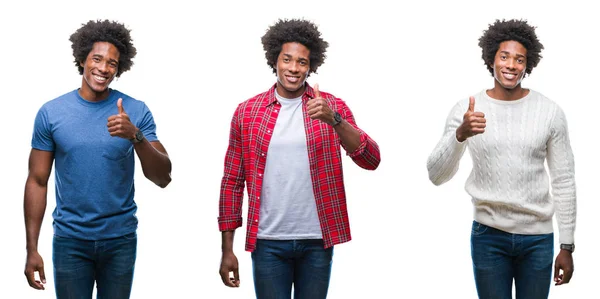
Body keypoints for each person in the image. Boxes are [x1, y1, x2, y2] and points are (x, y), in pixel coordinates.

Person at [217, 18, 380, 299]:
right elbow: (232, 181)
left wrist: (335, 120)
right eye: (287, 59)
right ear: (275, 60)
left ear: (311, 65)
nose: (293, 68)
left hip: (318, 240)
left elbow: (370, 159)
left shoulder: (332, 106)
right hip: (267, 242)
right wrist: (226, 249)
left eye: (302, 62)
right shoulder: (247, 112)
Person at [426, 19, 576, 299]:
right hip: (488, 236)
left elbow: (564, 180)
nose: (511, 65)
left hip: (538, 239)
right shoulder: (467, 109)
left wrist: (567, 246)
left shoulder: (549, 112)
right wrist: (460, 134)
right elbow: (436, 175)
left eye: (519, 59)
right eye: (504, 56)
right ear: (491, 58)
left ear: (527, 65)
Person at [23, 19, 172, 299]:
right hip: (70, 241)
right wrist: (32, 248)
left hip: (120, 241)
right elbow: (38, 180)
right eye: (97, 59)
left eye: (112, 63)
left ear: (120, 68)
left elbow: (163, 177)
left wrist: (135, 136)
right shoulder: (52, 113)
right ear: (82, 59)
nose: (103, 68)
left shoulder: (135, 111)